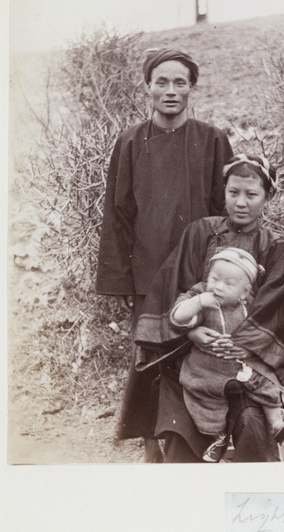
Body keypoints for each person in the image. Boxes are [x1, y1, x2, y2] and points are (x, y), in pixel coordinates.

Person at [96, 48, 233, 461]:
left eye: (180, 82)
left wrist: (221, 273)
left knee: (197, 352)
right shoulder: (130, 141)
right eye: (161, 81)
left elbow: (224, 211)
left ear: (192, 87)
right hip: (149, 271)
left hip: (198, 274)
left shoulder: (212, 139)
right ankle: (151, 443)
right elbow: (117, 214)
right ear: (148, 87)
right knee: (150, 354)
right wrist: (120, 278)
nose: (170, 91)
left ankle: (194, 443)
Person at [135, 153, 284, 463]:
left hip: (246, 363)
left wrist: (242, 345)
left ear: (268, 198)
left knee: (253, 431)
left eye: (251, 194)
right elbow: (176, 290)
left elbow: (276, 308)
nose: (241, 202)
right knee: (182, 445)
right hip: (192, 360)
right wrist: (192, 333)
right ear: (224, 192)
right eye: (233, 192)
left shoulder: (272, 246)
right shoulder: (200, 232)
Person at [171, 247, 284, 463]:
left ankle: (276, 426)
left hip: (244, 368)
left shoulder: (250, 306)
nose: (218, 287)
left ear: (244, 292)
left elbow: (267, 333)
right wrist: (199, 303)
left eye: (229, 284)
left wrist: (249, 346)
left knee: (269, 384)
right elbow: (177, 317)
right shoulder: (201, 297)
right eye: (214, 278)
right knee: (207, 401)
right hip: (208, 367)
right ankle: (219, 438)